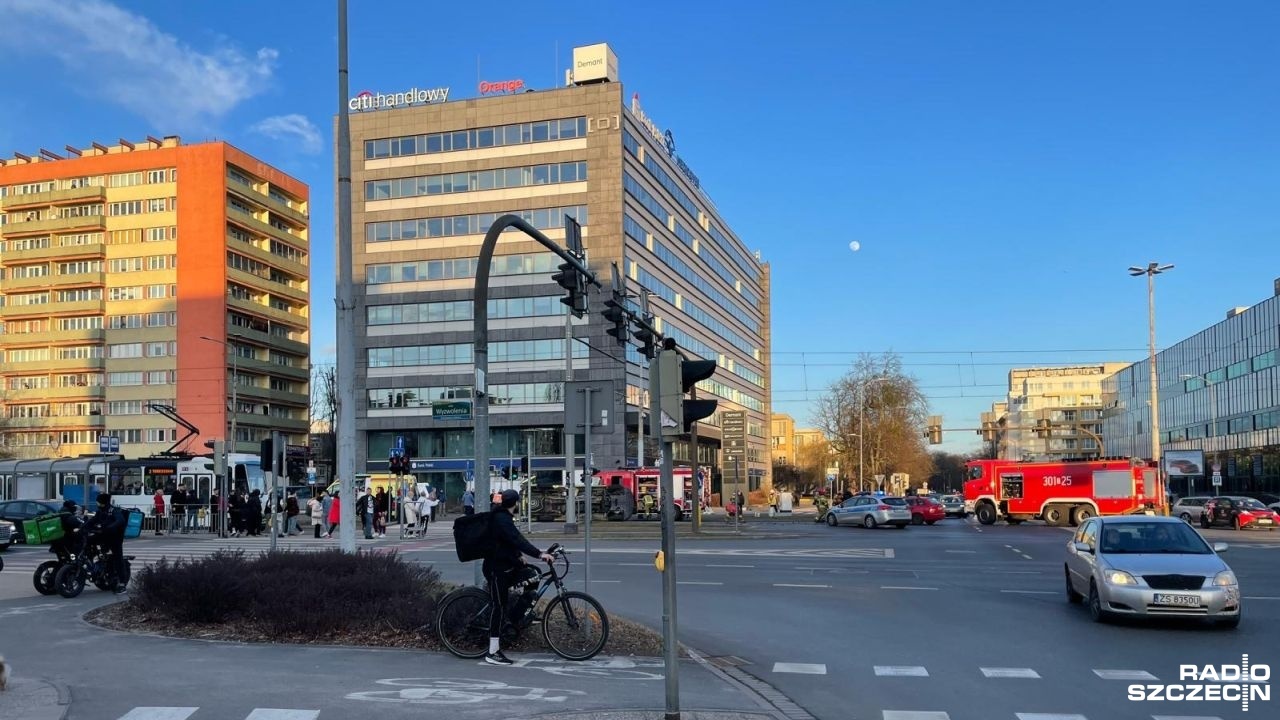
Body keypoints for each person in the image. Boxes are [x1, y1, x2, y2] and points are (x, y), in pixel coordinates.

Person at [481, 489, 554, 666]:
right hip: (496, 569)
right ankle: (493, 652)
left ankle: (518, 616)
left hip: (507, 565)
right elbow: (517, 539)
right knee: (499, 606)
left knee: (533, 574)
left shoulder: (504, 517)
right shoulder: (501, 518)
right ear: (515, 503)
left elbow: (508, 542)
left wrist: (519, 556)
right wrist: (539, 554)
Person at [83, 493, 128, 593]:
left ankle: (122, 583)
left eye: (99, 502)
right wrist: (82, 527)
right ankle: (91, 563)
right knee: (87, 541)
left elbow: (120, 520)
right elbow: (92, 521)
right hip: (103, 535)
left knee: (118, 558)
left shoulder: (114, 510)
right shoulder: (100, 511)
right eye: (97, 502)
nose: (98, 504)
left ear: (104, 502)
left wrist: (110, 527)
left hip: (114, 538)